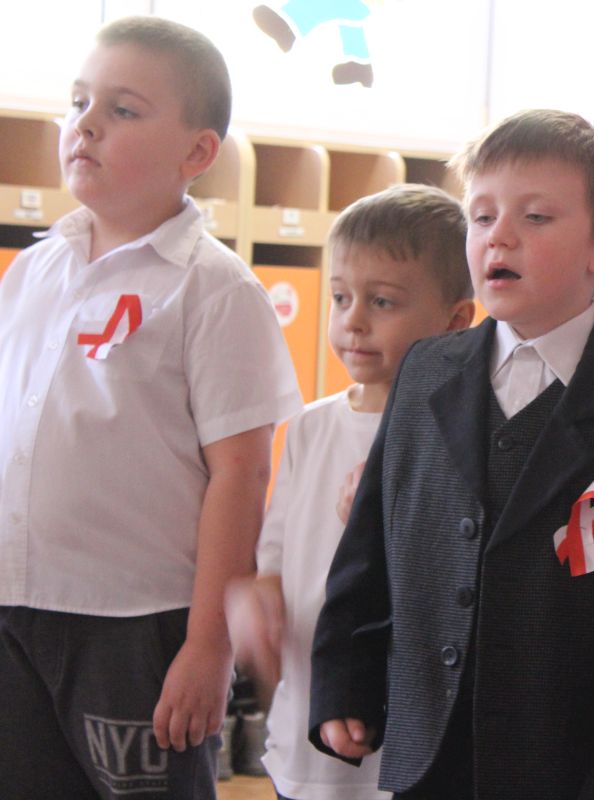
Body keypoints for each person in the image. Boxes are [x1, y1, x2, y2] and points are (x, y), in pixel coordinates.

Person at [308, 109, 594, 798]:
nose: (498, 236)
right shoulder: (424, 372)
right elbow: (371, 547)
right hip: (428, 752)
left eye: (535, 218)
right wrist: (342, 682)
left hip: (566, 762)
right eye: (481, 217)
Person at [0, 17, 302, 800]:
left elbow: (241, 475)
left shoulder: (212, 287)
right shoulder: (32, 272)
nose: (86, 124)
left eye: (123, 109)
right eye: (78, 102)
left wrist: (208, 647)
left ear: (196, 153)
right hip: (17, 603)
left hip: (135, 624)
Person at [225, 185, 475, 800]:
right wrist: (257, 601)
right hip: (303, 723)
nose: (353, 321)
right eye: (340, 298)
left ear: (456, 320)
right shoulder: (311, 427)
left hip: (392, 727)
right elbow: (275, 558)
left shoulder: (456, 435)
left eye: (382, 301)